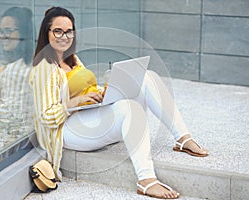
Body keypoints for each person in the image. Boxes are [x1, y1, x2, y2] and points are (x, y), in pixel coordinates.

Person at [29, 7, 209, 199]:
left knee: (148, 77)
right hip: (66, 131)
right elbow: (46, 117)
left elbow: (84, 88)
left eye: (69, 31)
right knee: (130, 108)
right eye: (58, 31)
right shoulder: (43, 69)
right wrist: (75, 102)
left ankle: (183, 138)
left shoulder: (71, 59)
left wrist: (104, 92)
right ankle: (146, 180)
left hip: (88, 117)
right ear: (46, 33)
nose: (64, 36)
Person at [0, 6, 34, 150]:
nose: (3, 36)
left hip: (12, 147)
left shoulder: (16, 71)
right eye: (1, 31)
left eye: (8, 31)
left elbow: (7, 119)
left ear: (23, 33)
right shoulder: (36, 63)